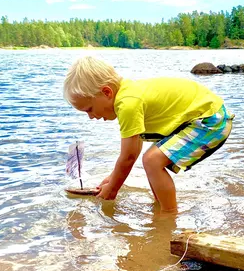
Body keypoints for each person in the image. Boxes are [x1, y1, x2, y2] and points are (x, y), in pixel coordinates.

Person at [63, 56, 234, 213]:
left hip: (210, 120)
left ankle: (169, 215)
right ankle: (161, 206)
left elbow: (129, 156)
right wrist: (112, 178)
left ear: (107, 92)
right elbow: (134, 148)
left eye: (89, 109)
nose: (91, 117)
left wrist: (113, 188)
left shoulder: (128, 104)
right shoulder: (127, 94)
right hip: (205, 116)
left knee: (152, 161)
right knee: (151, 160)